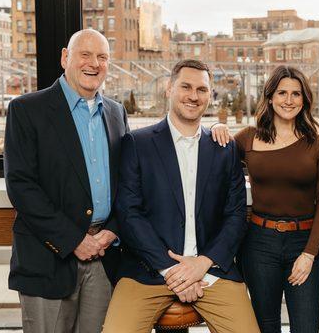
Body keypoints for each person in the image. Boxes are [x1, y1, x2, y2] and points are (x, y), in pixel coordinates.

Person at [102, 59, 259, 333]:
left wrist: (202, 264)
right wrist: (171, 271)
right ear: (169, 89)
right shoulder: (137, 144)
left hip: (211, 270)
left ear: (210, 95)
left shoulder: (224, 149)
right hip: (148, 271)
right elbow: (129, 214)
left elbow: (235, 215)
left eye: (202, 89)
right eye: (185, 86)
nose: (193, 96)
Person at [4, 29, 129, 333]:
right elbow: (21, 186)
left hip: (103, 258)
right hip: (49, 260)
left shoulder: (116, 112)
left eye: (102, 57)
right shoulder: (26, 110)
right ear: (65, 58)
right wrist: (73, 240)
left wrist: (112, 231)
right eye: (85, 54)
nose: (93, 64)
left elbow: (128, 181)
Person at [211, 65, 319, 332]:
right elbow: (213, 155)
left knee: (306, 328)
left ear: (305, 99)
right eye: (281, 93)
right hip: (259, 243)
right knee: (265, 326)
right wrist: (217, 126)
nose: (288, 100)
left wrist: (309, 254)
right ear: (270, 97)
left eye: (296, 94)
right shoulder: (248, 138)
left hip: (303, 243)